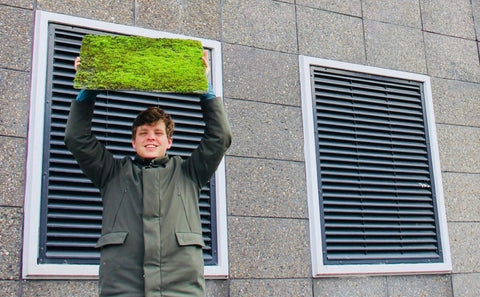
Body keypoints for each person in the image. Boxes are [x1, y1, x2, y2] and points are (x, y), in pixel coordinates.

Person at [65, 52, 232, 297]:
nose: (151, 137)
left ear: (169, 141)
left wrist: (204, 90)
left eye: (158, 133)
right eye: (143, 133)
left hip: (180, 290)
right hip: (122, 290)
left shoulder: (188, 173)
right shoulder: (111, 173)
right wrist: (88, 91)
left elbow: (220, 138)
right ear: (133, 142)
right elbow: (76, 139)